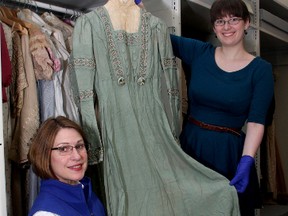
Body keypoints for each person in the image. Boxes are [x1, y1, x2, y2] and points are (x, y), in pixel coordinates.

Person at [70, 0, 240, 215]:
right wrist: (92, 143)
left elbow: (172, 89)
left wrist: (171, 134)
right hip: (115, 132)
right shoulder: (87, 25)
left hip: (156, 129)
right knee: (127, 195)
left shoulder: (157, 27)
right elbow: (83, 92)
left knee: (181, 193)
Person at [169, 0, 274, 215]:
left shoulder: (260, 70)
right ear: (214, 27)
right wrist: (136, 6)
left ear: (247, 23)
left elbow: (255, 122)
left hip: (228, 153)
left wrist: (246, 161)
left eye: (234, 19)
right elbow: (155, 35)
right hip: (192, 147)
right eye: (220, 21)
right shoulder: (200, 52)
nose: (227, 27)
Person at [28, 116, 106, 216]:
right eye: (64, 149)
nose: (77, 156)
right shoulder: (46, 213)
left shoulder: (87, 194)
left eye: (79, 146)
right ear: (44, 155)